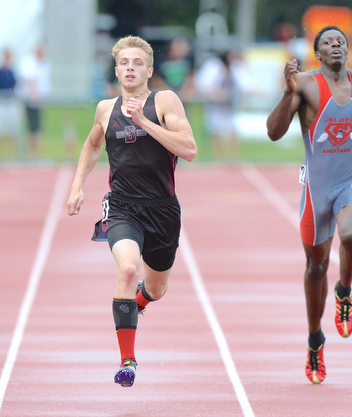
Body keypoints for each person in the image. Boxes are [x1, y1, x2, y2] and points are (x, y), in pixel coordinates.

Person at [67, 36, 197, 388]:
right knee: (127, 268)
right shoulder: (105, 109)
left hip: (163, 210)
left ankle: (140, 300)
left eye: (137, 63)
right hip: (122, 206)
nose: (129, 68)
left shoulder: (164, 101)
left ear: (149, 71)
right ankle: (128, 360)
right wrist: (78, 185)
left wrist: (144, 122)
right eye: (124, 63)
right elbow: (92, 145)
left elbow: (189, 149)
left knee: (156, 289)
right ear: (116, 70)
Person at [266, 26, 352, 384]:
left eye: (340, 41)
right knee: (315, 268)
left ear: (347, 50)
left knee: (351, 232)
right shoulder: (304, 84)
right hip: (316, 190)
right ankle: (315, 340)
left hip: (351, 181)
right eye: (327, 43)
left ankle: (345, 292)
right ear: (317, 53)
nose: (335, 45)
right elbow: (274, 132)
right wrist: (286, 94)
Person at [195, 50, 242, 159]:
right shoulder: (213, 67)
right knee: (216, 131)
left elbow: (245, 82)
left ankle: (231, 157)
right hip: (215, 105)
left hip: (230, 105)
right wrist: (215, 93)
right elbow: (203, 84)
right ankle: (218, 157)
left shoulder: (235, 67)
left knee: (234, 130)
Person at [0, 48, 22, 159]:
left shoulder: (12, 72)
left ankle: (12, 155)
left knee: (13, 131)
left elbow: (16, 87)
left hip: (10, 104)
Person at [19, 45, 50, 157]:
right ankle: (30, 155)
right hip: (31, 101)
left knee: (36, 129)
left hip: (37, 101)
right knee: (32, 129)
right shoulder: (29, 62)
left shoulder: (42, 63)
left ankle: (35, 155)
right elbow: (30, 80)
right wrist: (35, 96)